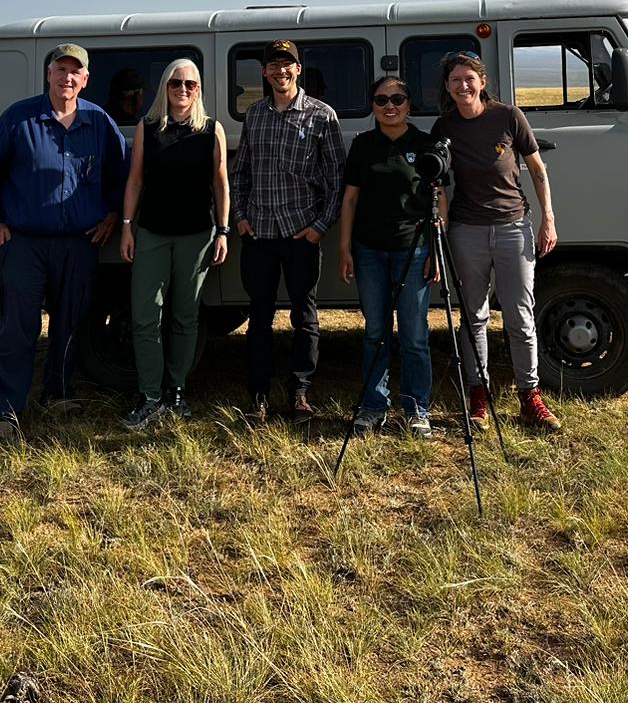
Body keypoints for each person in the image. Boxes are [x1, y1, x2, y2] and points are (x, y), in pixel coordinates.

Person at [0, 43, 127, 439]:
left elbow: (122, 175)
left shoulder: (99, 122)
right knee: (16, 327)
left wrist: (112, 214)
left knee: (71, 324)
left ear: (86, 79)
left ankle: (57, 393)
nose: (68, 78)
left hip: (79, 243)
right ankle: (2, 412)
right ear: (49, 74)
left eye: (76, 72)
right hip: (24, 243)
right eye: (61, 70)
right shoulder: (20, 118)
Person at [432, 51, 562, 431]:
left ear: (482, 82)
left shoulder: (508, 116)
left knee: (520, 315)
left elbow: (537, 169)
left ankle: (530, 396)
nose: (463, 86)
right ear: (447, 87)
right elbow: (439, 183)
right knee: (473, 315)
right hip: (467, 230)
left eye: (469, 78)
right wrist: (440, 220)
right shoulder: (444, 128)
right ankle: (478, 397)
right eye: (455, 80)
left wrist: (547, 219)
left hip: (513, 226)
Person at [229, 38, 344, 421]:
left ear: (298, 70)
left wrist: (319, 227)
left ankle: (300, 393)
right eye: (273, 66)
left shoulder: (321, 116)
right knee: (259, 317)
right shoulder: (255, 115)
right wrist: (240, 217)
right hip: (259, 233)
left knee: (304, 316)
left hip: (301, 234)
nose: (280, 71)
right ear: (264, 73)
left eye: (287, 64)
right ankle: (258, 396)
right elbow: (240, 172)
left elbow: (336, 180)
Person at [118, 57, 229, 430]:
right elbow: (134, 181)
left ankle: (176, 391)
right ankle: (149, 394)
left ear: (199, 90)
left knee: (186, 316)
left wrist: (223, 231)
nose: (183, 90)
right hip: (151, 231)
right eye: (175, 83)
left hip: (197, 235)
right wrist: (127, 227)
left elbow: (220, 184)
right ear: (164, 87)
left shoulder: (212, 130)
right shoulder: (148, 128)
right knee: (145, 315)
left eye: (190, 84)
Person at [337, 76, 440, 438]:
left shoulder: (426, 144)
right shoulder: (364, 144)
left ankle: (417, 409)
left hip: (414, 250)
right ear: (373, 107)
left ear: (409, 104)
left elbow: (439, 202)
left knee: (414, 335)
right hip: (369, 251)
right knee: (375, 332)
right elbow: (349, 199)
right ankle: (373, 406)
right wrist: (345, 247)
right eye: (381, 100)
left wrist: (435, 251)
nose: (390, 105)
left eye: (397, 98)